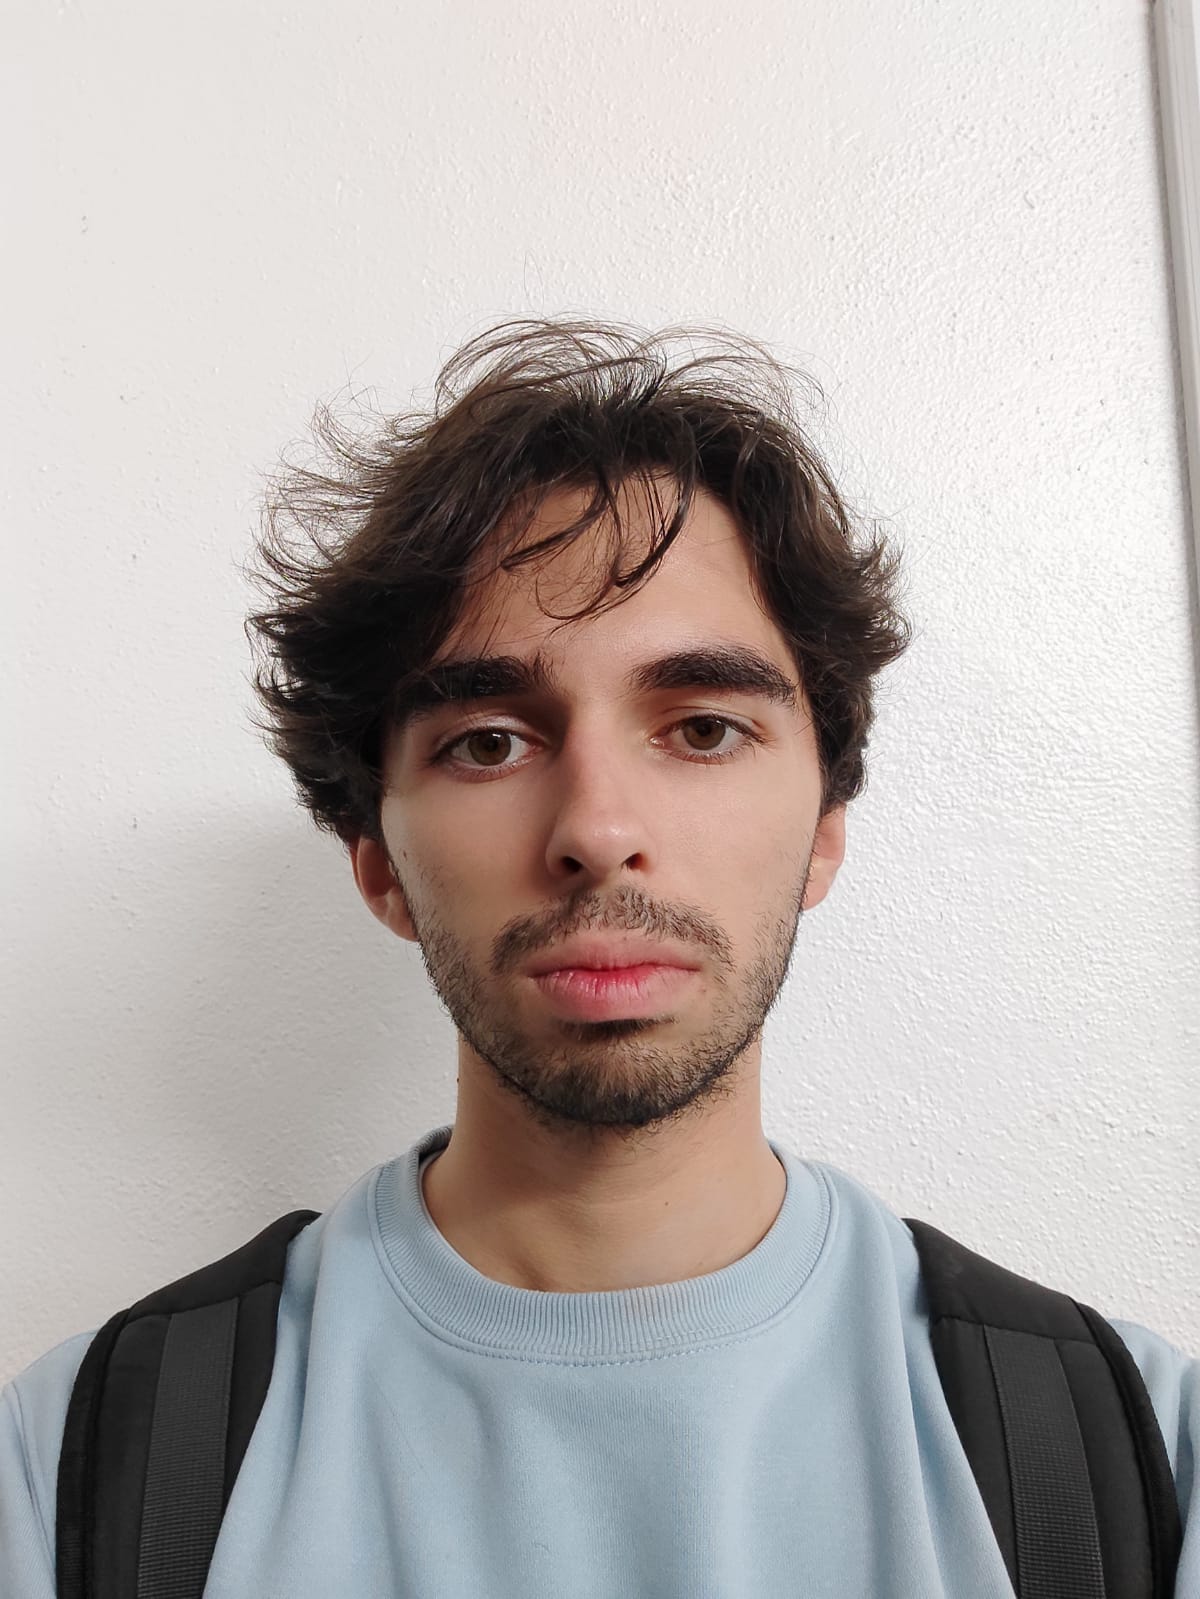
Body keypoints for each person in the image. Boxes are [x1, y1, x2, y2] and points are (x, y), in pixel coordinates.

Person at [2, 319, 1195, 1597]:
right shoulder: (69, 1466)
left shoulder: (1144, 1460)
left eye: (703, 727)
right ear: (378, 862)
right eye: (489, 743)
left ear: (823, 833)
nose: (597, 829)